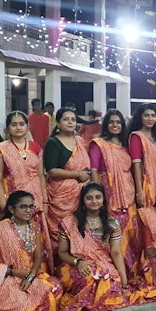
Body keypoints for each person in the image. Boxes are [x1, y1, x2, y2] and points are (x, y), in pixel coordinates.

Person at [57, 182, 141, 311]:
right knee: (90, 279)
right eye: (89, 198)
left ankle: (96, 298)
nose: (94, 201)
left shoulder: (112, 223)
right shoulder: (69, 221)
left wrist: (124, 282)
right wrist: (78, 261)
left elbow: (116, 252)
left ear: (103, 200)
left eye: (98, 197)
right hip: (74, 264)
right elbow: (62, 252)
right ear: (83, 200)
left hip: (102, 263)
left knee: (110, 280)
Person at [0, 111, 52, 270]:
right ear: (7, 128)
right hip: (14, 201)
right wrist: (3, 204)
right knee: (16, 238)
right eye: (14, 124)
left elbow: (40, 176)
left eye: (21, 124)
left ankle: (39, 272)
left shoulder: (35, 147)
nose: (18, 128)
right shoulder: (1, 150)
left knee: (36, 238)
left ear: (27, 127)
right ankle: (19, 271)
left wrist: (45, 201)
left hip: (36, 201)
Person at [89, 109, 139, 276]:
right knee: (113, 232)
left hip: (128, 192)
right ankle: (116, 272)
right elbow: (94, 170)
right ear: (106, 125)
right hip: (109, 194)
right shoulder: (99, 144)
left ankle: (131, 272)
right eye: (111, 122)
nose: (115, 125)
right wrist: (98, 195)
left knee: (130, 233)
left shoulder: (126, 146)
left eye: (118, 122)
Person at [44, 107, 91, 253]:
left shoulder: (80, 141)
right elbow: (51, 170)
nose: (70, 122)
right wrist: (77, 174)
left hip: (82, 193)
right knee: (61, 229)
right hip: (61, 195)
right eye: (66, 119)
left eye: (73, 119)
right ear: (58, 123)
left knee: (80, 226)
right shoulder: (53, 142)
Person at [130, 104, 156, 208]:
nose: (150, 119)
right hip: (147, 181)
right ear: (140, 117)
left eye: (153, 115)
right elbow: (136, 165)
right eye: (146, 115)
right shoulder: (136, 137)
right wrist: (139, 190)